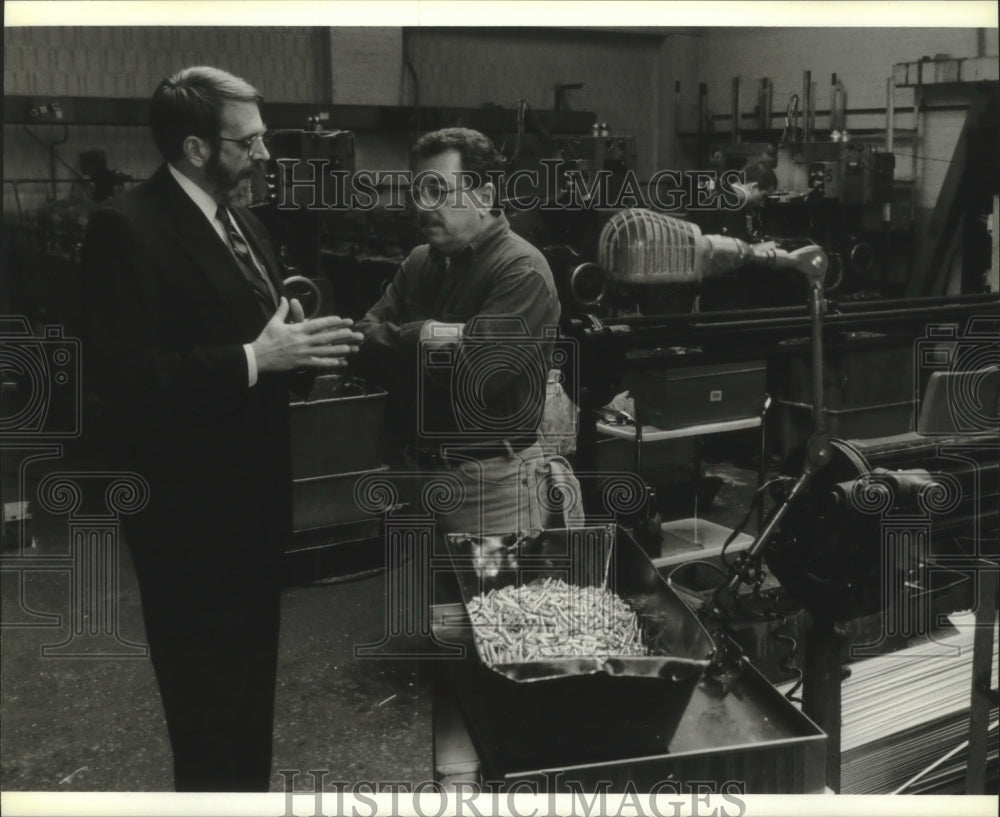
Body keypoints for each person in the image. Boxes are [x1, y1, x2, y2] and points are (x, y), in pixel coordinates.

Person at [81, 66, 363, 792]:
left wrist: (301, 353)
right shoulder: (126, 227)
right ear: (196, 148)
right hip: (186, 519)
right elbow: (124, 377)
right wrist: (253, 356)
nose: (266, 155)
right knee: (206, 711)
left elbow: (265, 350)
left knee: (250, 700)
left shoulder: (248, 226)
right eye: (251, 142)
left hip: (253, 509)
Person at [352, 127, 582, 539]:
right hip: (417, 476)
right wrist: (427, 335)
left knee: (493, 601)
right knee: (429, 601)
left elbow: (478, 380)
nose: (424, 206)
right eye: (419, 190)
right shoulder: (421, 261)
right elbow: (362, 341)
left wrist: (405, 342)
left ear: (485, 196)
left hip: (491, 488)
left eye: (439, 190)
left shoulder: (521, 270)